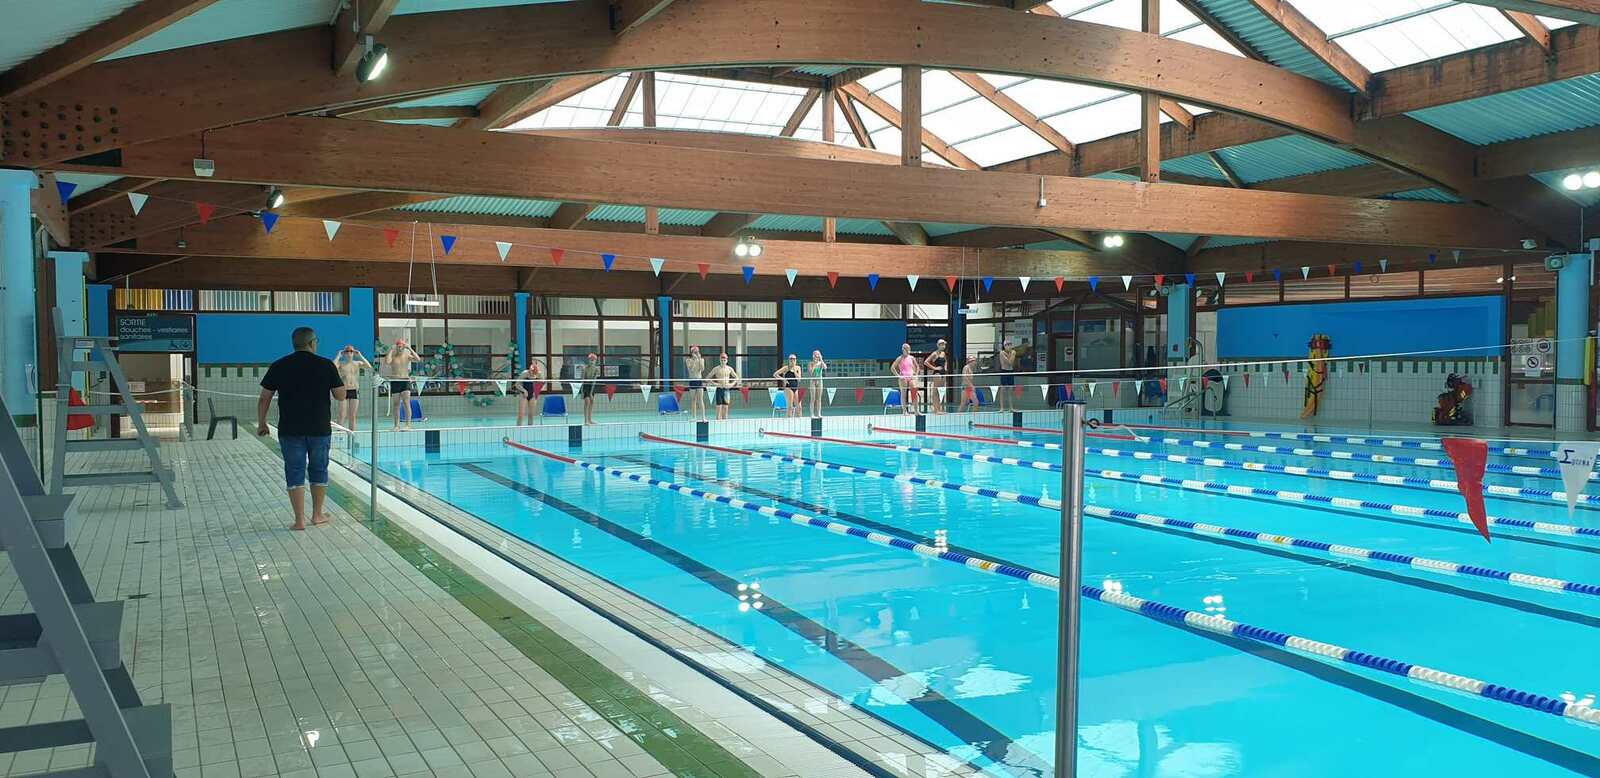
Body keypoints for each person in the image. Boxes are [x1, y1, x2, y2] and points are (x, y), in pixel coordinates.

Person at [257, 327, 346, 531]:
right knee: (319, 469)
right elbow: (341, 396)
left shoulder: (279, 365)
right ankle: (317, 515)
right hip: (319, 429)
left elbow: (264, 398)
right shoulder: (325, 365)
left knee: (294, 470)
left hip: (290, 429)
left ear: (294, 343)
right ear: (312, 343)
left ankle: (299, 520)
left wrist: (262, 423)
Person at [381, 339, 422, 431]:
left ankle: (408, 425)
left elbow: (418, 359)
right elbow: (387, 362)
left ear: (404, 347)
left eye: (401, 347)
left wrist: (409, 348)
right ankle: (396, 426)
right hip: (395, 381)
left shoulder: (407, 355)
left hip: (405, 380)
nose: (400, 348)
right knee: (396, 404)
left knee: (406, 403)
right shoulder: (393, 356)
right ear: (396, 347)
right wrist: (391, 350)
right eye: (398, 346)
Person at [333, 345, 371, 430]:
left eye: (351, 351)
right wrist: (338, 356)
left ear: (353, 353)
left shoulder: (357, 363)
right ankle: (340, 433)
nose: (349, 353)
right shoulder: (341, 364)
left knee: (352, 416)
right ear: (344, 353)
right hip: (344, 390)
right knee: (342, 414)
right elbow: (332, 366)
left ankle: (352, 434)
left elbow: (369, 366)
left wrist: (360, 355)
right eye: (347, 351)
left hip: (354, 390)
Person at [706, 351, 741, 421]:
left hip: (726, 390)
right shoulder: (716, 369)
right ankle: (718, 422)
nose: (723, 362)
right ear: (719, 360)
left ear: (727, 360)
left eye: (724, 360)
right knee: (718, 408)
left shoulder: (729, 369)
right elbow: (707, 378)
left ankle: (725, 423)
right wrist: (715, 384)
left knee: (725, 408)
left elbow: (737, 378)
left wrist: (731, 384)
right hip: (719, 389)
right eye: (722, 360)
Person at [922, 339, 949, 415]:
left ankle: (940, 409)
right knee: (936, 392)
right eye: (942, 344)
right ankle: (936, 410)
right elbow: (926, 362)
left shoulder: (943, 353)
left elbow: (946, 361)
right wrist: (934, 368)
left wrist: (945, 368)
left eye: (944, 344)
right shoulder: (934, 353)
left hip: (943, 373)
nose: (943, 346)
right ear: (938, 345)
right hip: (937, 374)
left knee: (941, 391)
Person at [514, 358, 544, 426]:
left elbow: (541, 384)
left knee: (531, 415)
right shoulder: (525, 373)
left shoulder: (539, 374)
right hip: (523, 394)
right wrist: (524, 390)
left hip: (533, 394)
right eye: (531, 372)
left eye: (534, 374)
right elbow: (517, 384)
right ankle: (518, 429)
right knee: (521, 414)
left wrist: (536, 391)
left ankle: (530, 429)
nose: (532, 376)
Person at [892, 343, 919, 415]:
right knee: (903, 394)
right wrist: (898, 376)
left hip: (911, 377)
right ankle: (904, 411)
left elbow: (917, 367)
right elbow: (892, 368)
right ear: (903, 349)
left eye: (908, 348)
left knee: (914, 393)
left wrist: (916, 374)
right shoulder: (900, 358)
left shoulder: (912, 358)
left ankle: (916, 411)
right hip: (903, 377)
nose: (907, 350)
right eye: (905, 348)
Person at [684, 345, 708, 421]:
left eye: (697, 352)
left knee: (700, 399)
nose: (696, 353)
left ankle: (703, 417)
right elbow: (691, 370)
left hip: (699, 380)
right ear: (691, 353)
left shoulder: (701, 360)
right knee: (693, 400)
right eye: (694, 352)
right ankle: (694, 417)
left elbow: (702, 369)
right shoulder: (688, 360)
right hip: (692, 380)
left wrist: (699, 359)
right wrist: (694, 361)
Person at [579, 352, 601, 425]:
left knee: (592, 401)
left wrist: (591, 392)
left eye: (593, 360)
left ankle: (590, 419)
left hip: (591, 386)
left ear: (595, 361)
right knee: (587, 401)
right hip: (585, 386)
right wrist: (582, 392)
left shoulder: (596, 369)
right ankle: (586, 421)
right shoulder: (585, 368)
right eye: (590, 360)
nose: (592, 361)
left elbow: (594, 381)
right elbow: (582, 381)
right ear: (588, 360)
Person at [995, 340, 1017, 412]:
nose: (1009, 346)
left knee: (1010, 390)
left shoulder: (1013, 352)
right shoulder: (1001, 353)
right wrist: (1011, 355)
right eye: (1007, 345)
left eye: (1010, 345)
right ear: (1004, 346)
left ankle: (1011, 408)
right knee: (1003, 390)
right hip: (1004, 371)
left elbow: (1011, 362)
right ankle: (1002, 408)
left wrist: (1009, 355)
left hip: (1011, 372)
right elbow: (1009, 362)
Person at [807, 350, 828, 418]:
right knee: (813, 398)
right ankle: (812, 414)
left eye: (818, 355)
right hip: (813, 381)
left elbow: (825, 367)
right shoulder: (810, 363)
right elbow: (810, 372)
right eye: (815, 355)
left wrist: (821, 359)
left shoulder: (821, 363)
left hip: (820, 381)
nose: (816, 356)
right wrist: (814, 365)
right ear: (813, 356)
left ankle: (819, 413)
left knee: (819, 398)